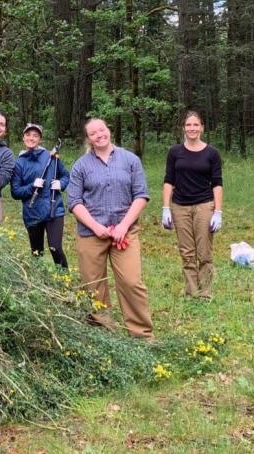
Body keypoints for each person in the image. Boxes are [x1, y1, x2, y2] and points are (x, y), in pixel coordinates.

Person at [67, 118, 153, 339]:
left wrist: (123, 226)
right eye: (93, 133)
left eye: (102, 130)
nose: (99, 135)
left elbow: (141, 195)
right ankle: (104, 334)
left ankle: (141, 334)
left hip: (124, 234)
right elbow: (74, 202)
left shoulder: (130, 160)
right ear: (89, 139)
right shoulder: (80, 166)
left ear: (109, 130)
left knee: (131, 282)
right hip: (91, 234)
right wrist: (96, 227)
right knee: (93, 285)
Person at [161, 111, 223, 299]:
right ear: (183, 128)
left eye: (196, 125)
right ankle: (191, 291)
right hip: (180, 207)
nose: (192, 128)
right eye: (188, 125)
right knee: (187, 252)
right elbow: (169, 180)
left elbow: (217, 183)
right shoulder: (175, 152)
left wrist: (218, 211)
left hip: (204, 205)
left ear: (202, 127)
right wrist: (166, 208)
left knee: (204, 251)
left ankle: (205, 292)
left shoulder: (211, 153)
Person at [10, 123, 69, 268]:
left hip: (54, 210)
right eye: (28, 135)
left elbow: (65, 175)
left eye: (35, 135)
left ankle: (64, 278)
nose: (31, 138)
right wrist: (32, 186)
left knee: (55, 248)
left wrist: (61, 184)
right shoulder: (19, 163)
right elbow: (15, 192)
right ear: (23, 138)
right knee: (37, 253)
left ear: (40, 139)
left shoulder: (51, 157)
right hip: (32, 213)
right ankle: (40, 279)